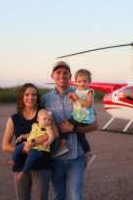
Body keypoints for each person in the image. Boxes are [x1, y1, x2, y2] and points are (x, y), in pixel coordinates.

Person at [41, 61, 98, 200]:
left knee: (75, 196)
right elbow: (39, 125)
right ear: (52, 75)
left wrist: (74, 128)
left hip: (77, 157)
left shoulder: (81, 94)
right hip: (55, 157)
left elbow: (95, 125)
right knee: (59, 196)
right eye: (58, 72)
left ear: (70, 76)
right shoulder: (44, 99)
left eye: (65, 72)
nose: (62, 75)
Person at [2, 83, 58, 200]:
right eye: (27, 94)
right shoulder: (13, 119)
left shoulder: (45, 115)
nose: (30, 97)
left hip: (42, 163)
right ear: (22, 97)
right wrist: (24, 149)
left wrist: (32, 143)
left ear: (37, 97)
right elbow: (5, 145)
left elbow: (55, 134)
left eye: (34, 94)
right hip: (20, 164)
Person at [53, 69, 96, 167]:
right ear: (76, 82)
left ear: (89, 82)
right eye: (79, 81)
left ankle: (63, 146)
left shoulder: (89, 92)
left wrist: (77, 99)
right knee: (81, 136)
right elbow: (76, 104)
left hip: (84, 118)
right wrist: (73, 99)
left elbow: (88, 104)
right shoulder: (76, 91)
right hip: (78, 116)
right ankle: (88, 154)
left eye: (85, 81)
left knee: (64, 125)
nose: (82, 83)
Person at [6, 109, 55, 180]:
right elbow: (30, 135)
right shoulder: (35, 126)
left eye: (49, 120)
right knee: (18, 148)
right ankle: (14, 160)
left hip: (39, 148)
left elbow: (52, 136)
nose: (47, 121)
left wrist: (49, 142)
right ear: (38, 119)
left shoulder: (47, 129)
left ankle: (23, 172)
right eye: (44, 119)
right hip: (28, 144)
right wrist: (22, 136)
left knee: (30, 159)